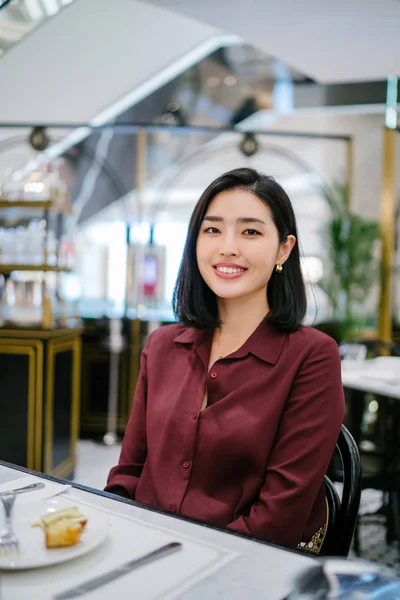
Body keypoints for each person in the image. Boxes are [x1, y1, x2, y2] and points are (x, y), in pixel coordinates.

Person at [105, 167, 344, 553]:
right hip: (146, 549)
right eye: (213, 230)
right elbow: (130, 473)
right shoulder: (162, 345)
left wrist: (192, 562)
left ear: (284, 248)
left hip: (246, 564)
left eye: (250, 231)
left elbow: (280, 515)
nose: (227, 247)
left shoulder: (312, 356)